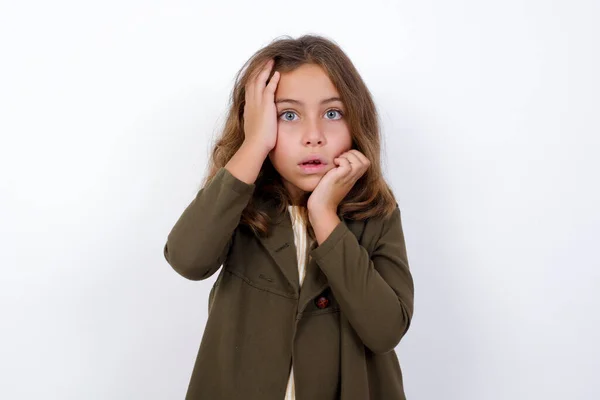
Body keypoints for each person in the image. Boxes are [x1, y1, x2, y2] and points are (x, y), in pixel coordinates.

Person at [163, 34, 415, 400]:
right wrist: (253, 145)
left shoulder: (377, 212)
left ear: (356, 121)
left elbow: (385, 330)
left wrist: (325, 215)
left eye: (332, 113)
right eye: (288, 115)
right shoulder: (241, 206)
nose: (314, 136)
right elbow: (187, 260)